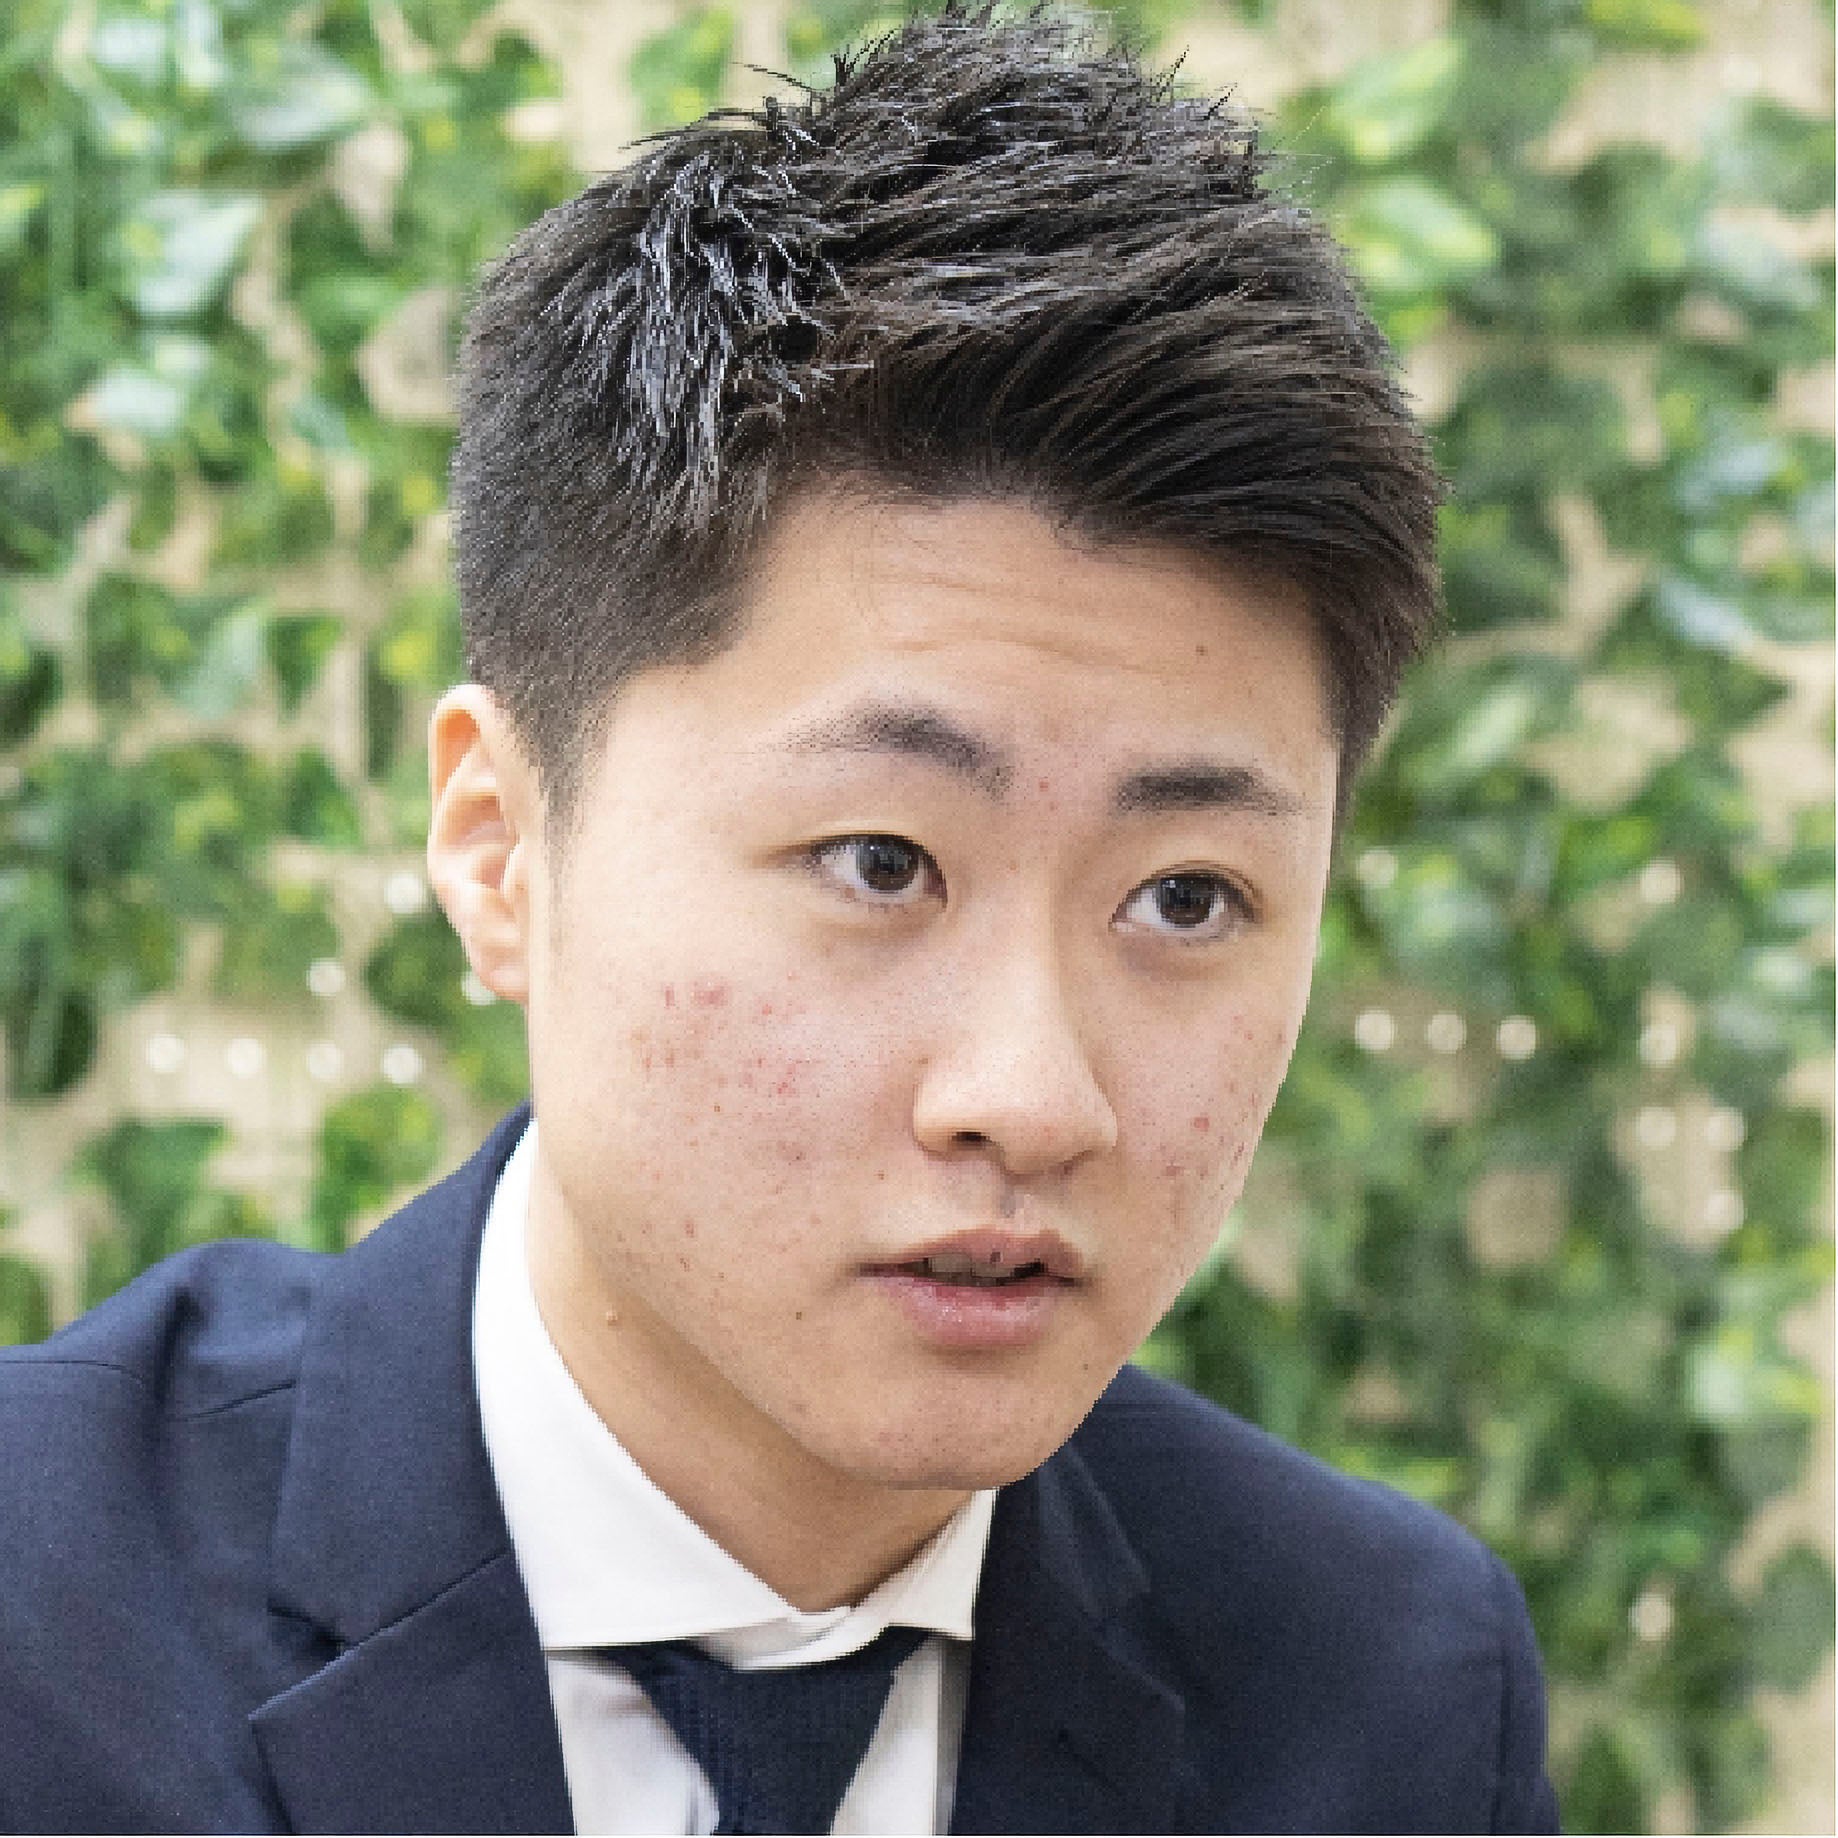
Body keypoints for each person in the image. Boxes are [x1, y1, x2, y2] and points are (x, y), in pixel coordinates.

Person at [0, 6, 1560, 1833]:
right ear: (500, 849)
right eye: (879, 862)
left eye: (1185, 895)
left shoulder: (1386, 1692)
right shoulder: (43, 1612)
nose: (1031, 1097)